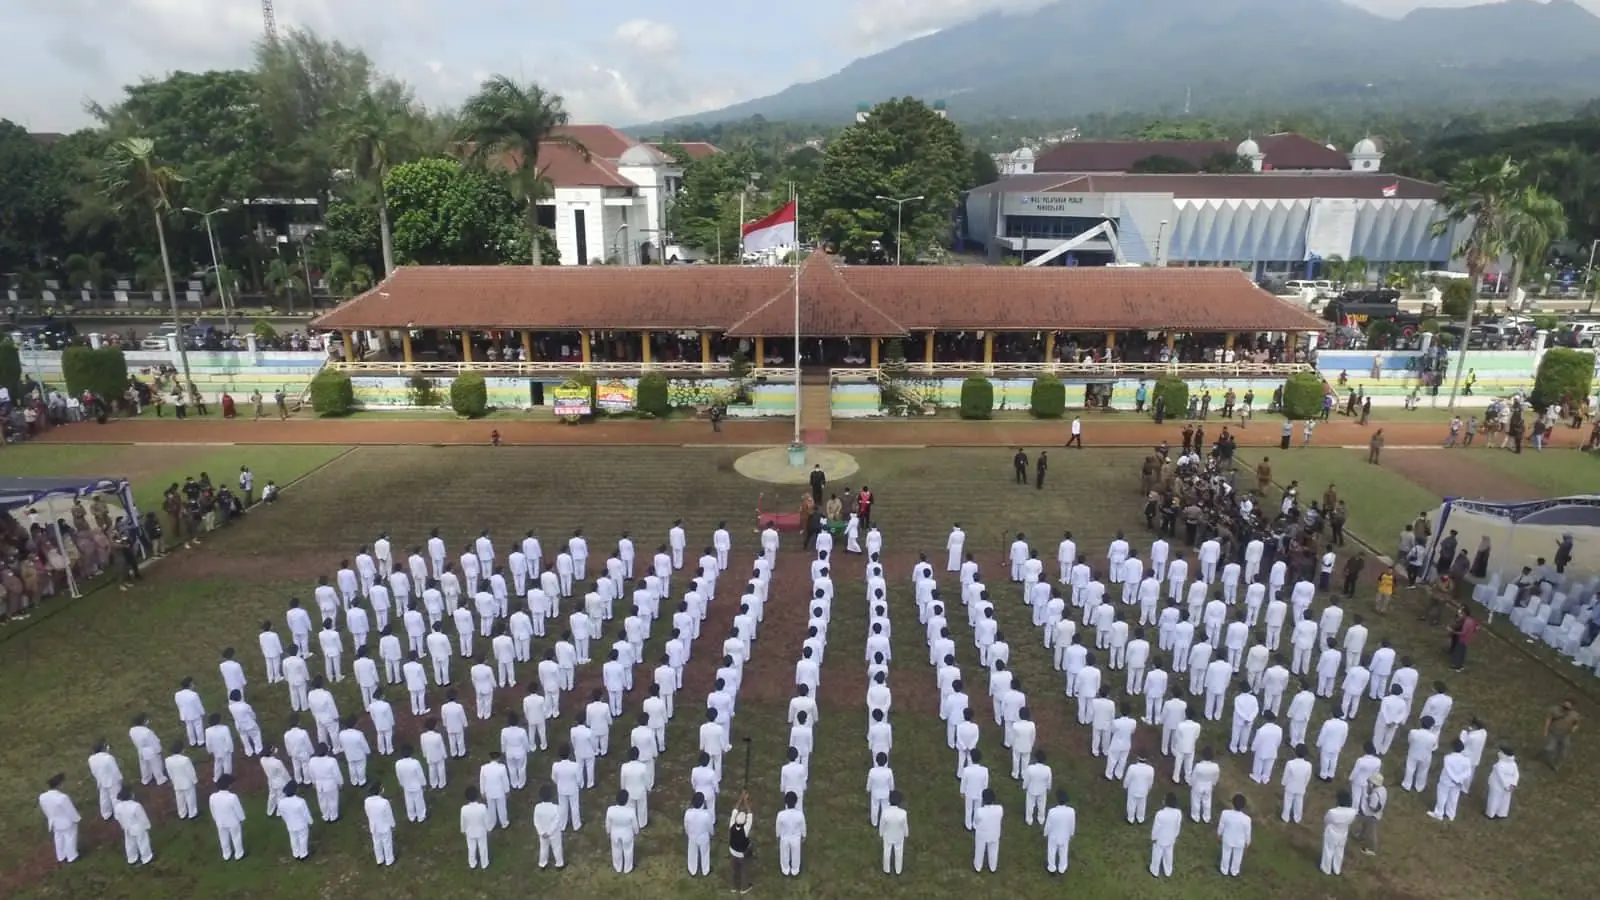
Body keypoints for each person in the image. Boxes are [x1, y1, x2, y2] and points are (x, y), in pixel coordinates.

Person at [39, 773, 82, 863]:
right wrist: (77, 819)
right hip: (66, 822)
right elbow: (70, 810)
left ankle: (61, 856)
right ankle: (72, 856)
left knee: (58, 838)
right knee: (70, 838)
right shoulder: (62, 798)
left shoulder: (42, 797)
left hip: (54, 821)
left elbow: (45, 809)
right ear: (59, 785)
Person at [209, 773, 247, 860]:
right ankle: (239, 854)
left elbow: (212, 810)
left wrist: (216, 819)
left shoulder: (212, 797)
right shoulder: (232, 797)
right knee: (236, 838)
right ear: (229, 785)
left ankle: (226, 854)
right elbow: (238, 810)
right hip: (233, 822)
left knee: (223, 839)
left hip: (220, 822)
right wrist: (242, 819)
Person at [113, 787, 154, 865]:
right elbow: (142, 817)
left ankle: (132, 858)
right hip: (138, 827)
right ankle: (147, 857)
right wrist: (147, 826)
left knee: (129, 843)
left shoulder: (117, 807)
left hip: (127, 827)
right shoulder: (136, 806)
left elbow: (118, 818)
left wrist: (123, 826)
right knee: (143, 842)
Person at [1321, 789, 1357, 875]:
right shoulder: (1353, 812)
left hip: (1332, 832)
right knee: (1339, 852)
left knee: (1328, 850)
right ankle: (1337, 869)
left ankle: (1326, 869)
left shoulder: (1333, 812)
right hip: (1343, 833)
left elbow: (1326, 820)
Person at [606, 789, 641, 874]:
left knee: (616, 849)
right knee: (628, 850)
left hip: (615, 834)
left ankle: (617, 867)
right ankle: (627, 868)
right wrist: (636, 832)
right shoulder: (630, 811)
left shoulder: (610, 809)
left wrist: (608, 831)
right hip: (627, 834)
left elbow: (608, 823)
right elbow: (635, 825)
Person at [1217, 794, 1252, 877]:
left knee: (1226, 853)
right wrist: (1248, 841)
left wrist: (1219, 833)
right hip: (1240, 841)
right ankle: (1234, 871)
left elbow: (1221, 825)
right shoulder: (1247, 819)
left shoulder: (1225, 813)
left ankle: (1224, 870)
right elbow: (1247, 832)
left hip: (1227, 838)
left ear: (1232, 803)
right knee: (1238, 857)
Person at [1149, 792, 1183, 877]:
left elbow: (1156, 828)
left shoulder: (1160, 814)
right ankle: (1168, 871)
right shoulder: (1178, 813)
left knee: (1157, 854)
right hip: (1171, 838)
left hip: (1160, 839)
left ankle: (1154, 870)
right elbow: (1177, 826)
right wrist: (1175, 835)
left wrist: (1153, 837)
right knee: (1169, 854)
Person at [278, 783, 314, 860]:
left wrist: (286, 821)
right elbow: (306, 814)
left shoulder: (281, 802)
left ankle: (296, 853)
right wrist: (310, 822)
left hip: (290, 824)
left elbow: (282, 814)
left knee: (293, 839)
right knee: (303, 838)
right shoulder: (300, 802)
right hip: (301, 824)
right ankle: (303, 854)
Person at [1541, 699, 1579, 770]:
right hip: (1553, 733)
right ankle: (1547, 754)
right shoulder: (1555, 710)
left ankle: (1556, 765)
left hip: (1565, 735)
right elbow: (1548, 720)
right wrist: (1545, 730)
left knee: (1563, 752)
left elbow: (1576, 723)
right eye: (1565, 705)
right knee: (1550, 748)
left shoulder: (1574, 715)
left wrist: (1574, 729)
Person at [972, 787, 1003, 872]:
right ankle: (993, 867)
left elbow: (976, 821)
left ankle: (978, 866)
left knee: (979, 850)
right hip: (995, 833)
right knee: (994, 850)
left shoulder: (979, 811)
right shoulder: (1000, 809)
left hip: (982, 834)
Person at [879, 789, 910, 874]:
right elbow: (905, 826)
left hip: (888, 835)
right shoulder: (903, 813)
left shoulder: (885, 812)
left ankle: (886, 869)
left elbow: (882, 824)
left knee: (886, 851)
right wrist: (906, 834)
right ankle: (898, 870)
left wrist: (881, 833)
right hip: (899, 836)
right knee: (899, 852)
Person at [728, 793, 754, 894]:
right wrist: (746, 801)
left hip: (732, 851)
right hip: (742, 853)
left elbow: (734, 810)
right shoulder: (745, 829)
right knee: (744, 870)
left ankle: (733, 887)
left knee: (734, 870)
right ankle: (744, 888)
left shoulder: (732, 825)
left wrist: (740, 798)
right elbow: (750, 814)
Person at [460, 785, 491, 869]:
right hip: (481, 831)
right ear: (477, 796)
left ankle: (472, 863)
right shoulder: (482, 807)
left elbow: (463, 821)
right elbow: (486, 820)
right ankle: (484, 863)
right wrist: (488, 828)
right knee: (483, 847)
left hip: (469, 831)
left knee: (471, 848)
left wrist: (463, 830)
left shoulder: (464, 809)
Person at [534, 784, 565, 868]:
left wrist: (541, 832)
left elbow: (536, 821)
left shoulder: (537, 807)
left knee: (543, 848)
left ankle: (542, 863)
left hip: (542, 833)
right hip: (554, 833)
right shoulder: (556, 808)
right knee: (557, 847)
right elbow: (556, 821)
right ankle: (559, 863)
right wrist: (549, 832)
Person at [684, 792, 714, 876]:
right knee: (705, 853)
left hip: (692, 836)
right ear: (703, 803)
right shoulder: (706, 814)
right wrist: (712, 833)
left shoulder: (688, 813)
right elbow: (710, 827)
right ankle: (705, 870)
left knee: (692, 853)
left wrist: (688, 833)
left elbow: (686, 825)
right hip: (703, 837)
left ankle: (692, 870)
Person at [1485, 747, 1520, 819]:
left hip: (1497, 785)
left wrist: (1506, 786)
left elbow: (1501, 778)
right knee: (1505, 800)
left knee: (1493, 799)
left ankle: (1490, 814)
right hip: (1509, 786)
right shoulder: (1513, 764)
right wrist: (1512, 784)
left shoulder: (1500, 765)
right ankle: (1501, 813)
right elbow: (1516, 775)